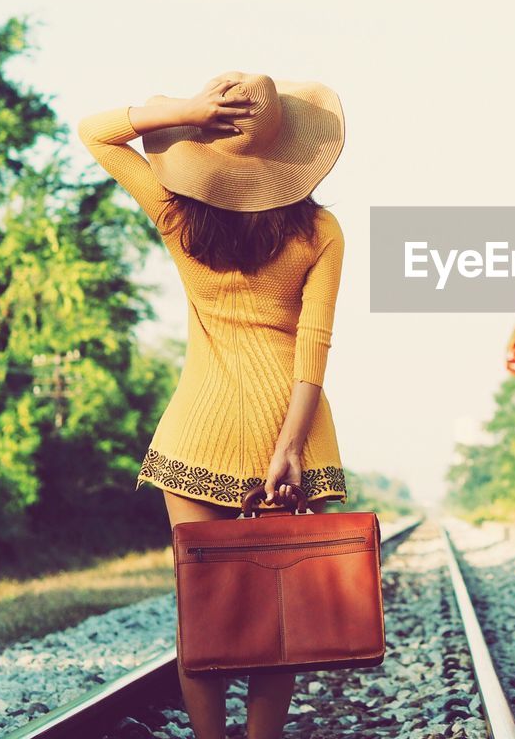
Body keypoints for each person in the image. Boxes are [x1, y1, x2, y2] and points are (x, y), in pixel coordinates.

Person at [76, 71, 347, 739]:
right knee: (275, 611)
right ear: (289, 152)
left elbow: (95, 132)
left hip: (197, 435)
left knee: (204, 611)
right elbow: (313, 347)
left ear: (207, 142)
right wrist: (287, 447)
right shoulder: (320, 230)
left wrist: (180, 110)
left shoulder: (176, 214)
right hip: (291, 435)